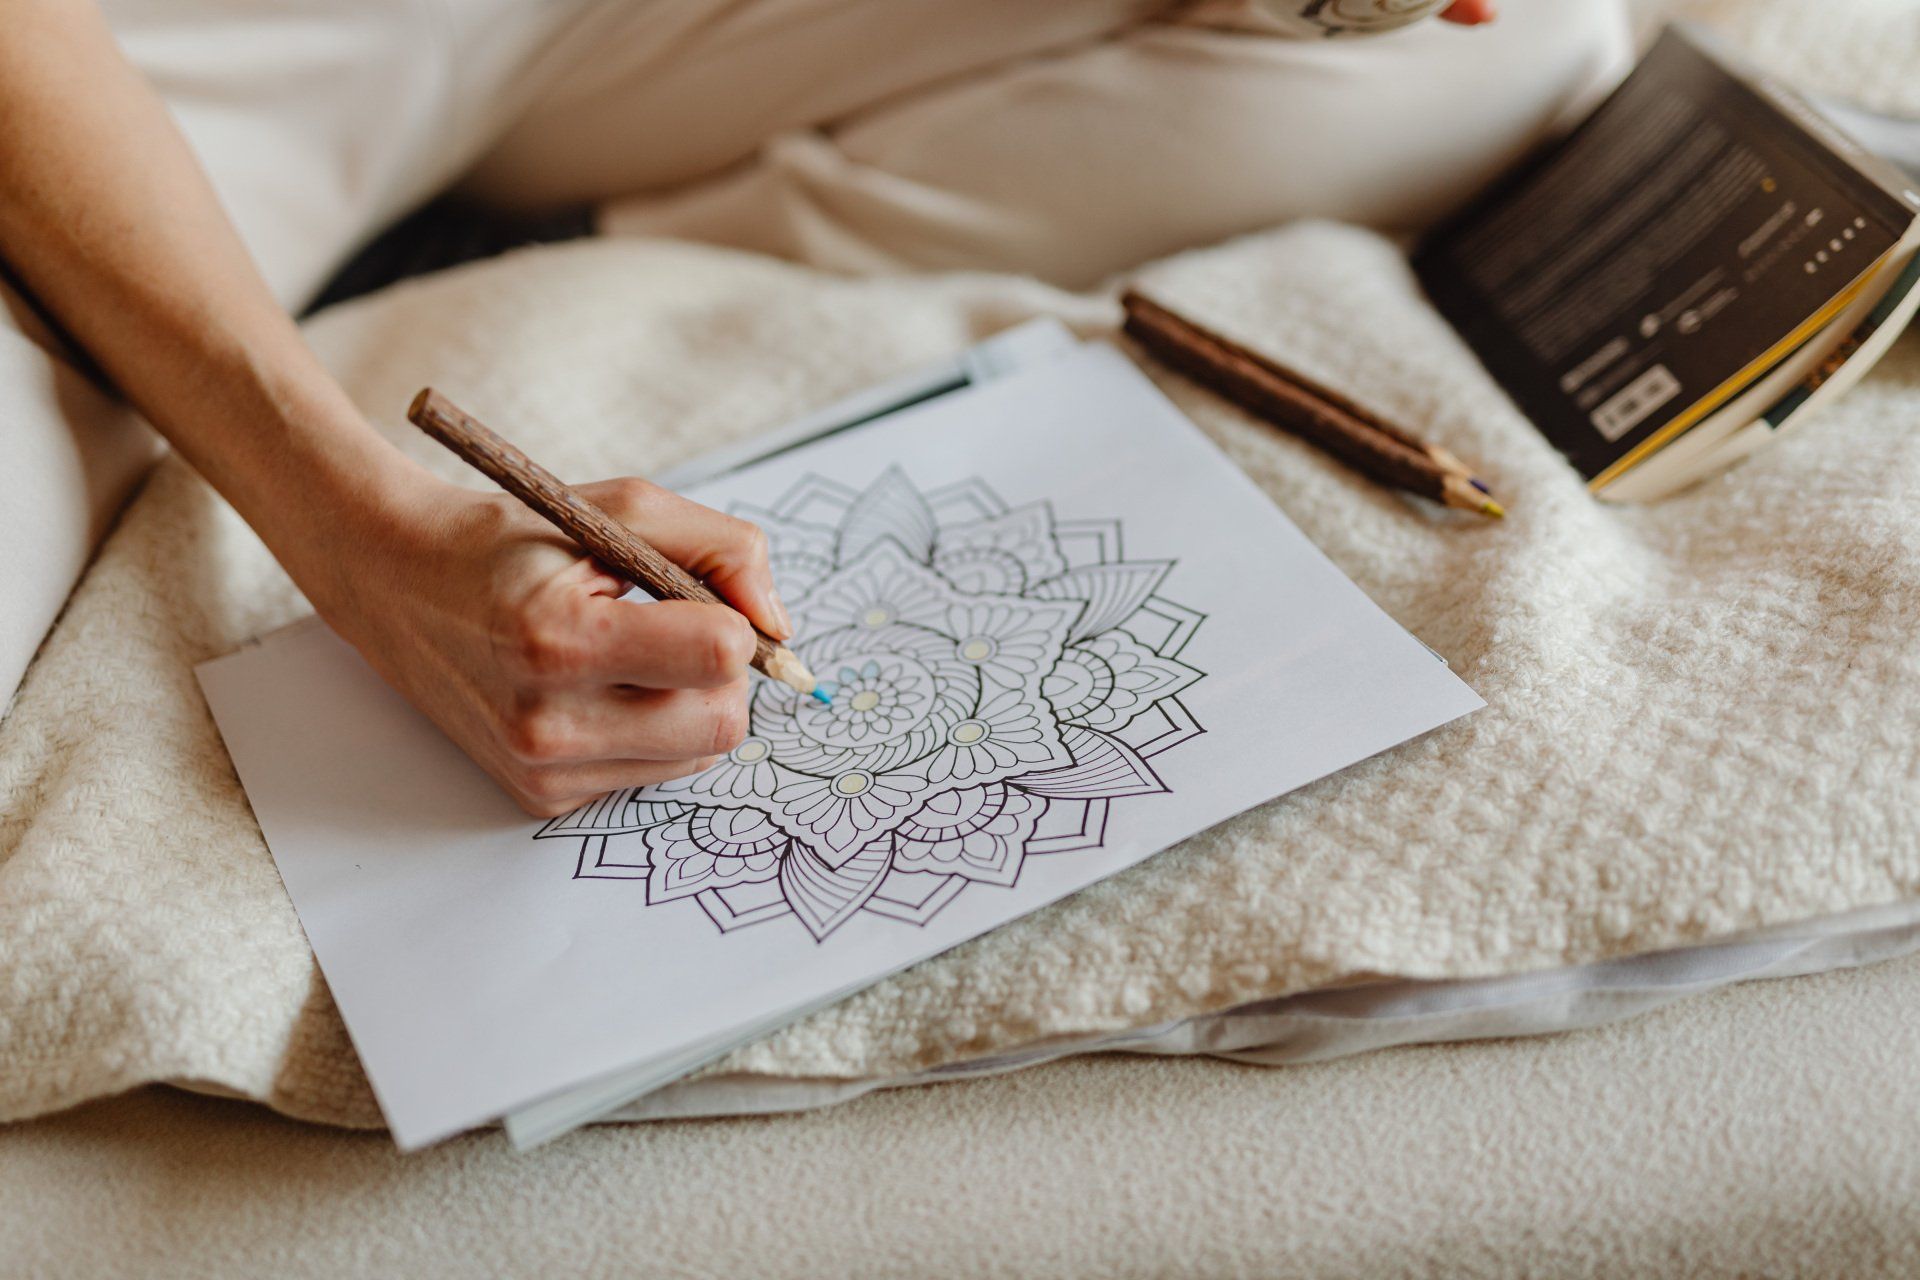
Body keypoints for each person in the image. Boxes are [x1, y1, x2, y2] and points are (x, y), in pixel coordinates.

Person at [0, 0, 1632, 814]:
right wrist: (360, 528)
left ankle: (560, 255)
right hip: (121, 74)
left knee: (1531, 40)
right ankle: (296, 296)